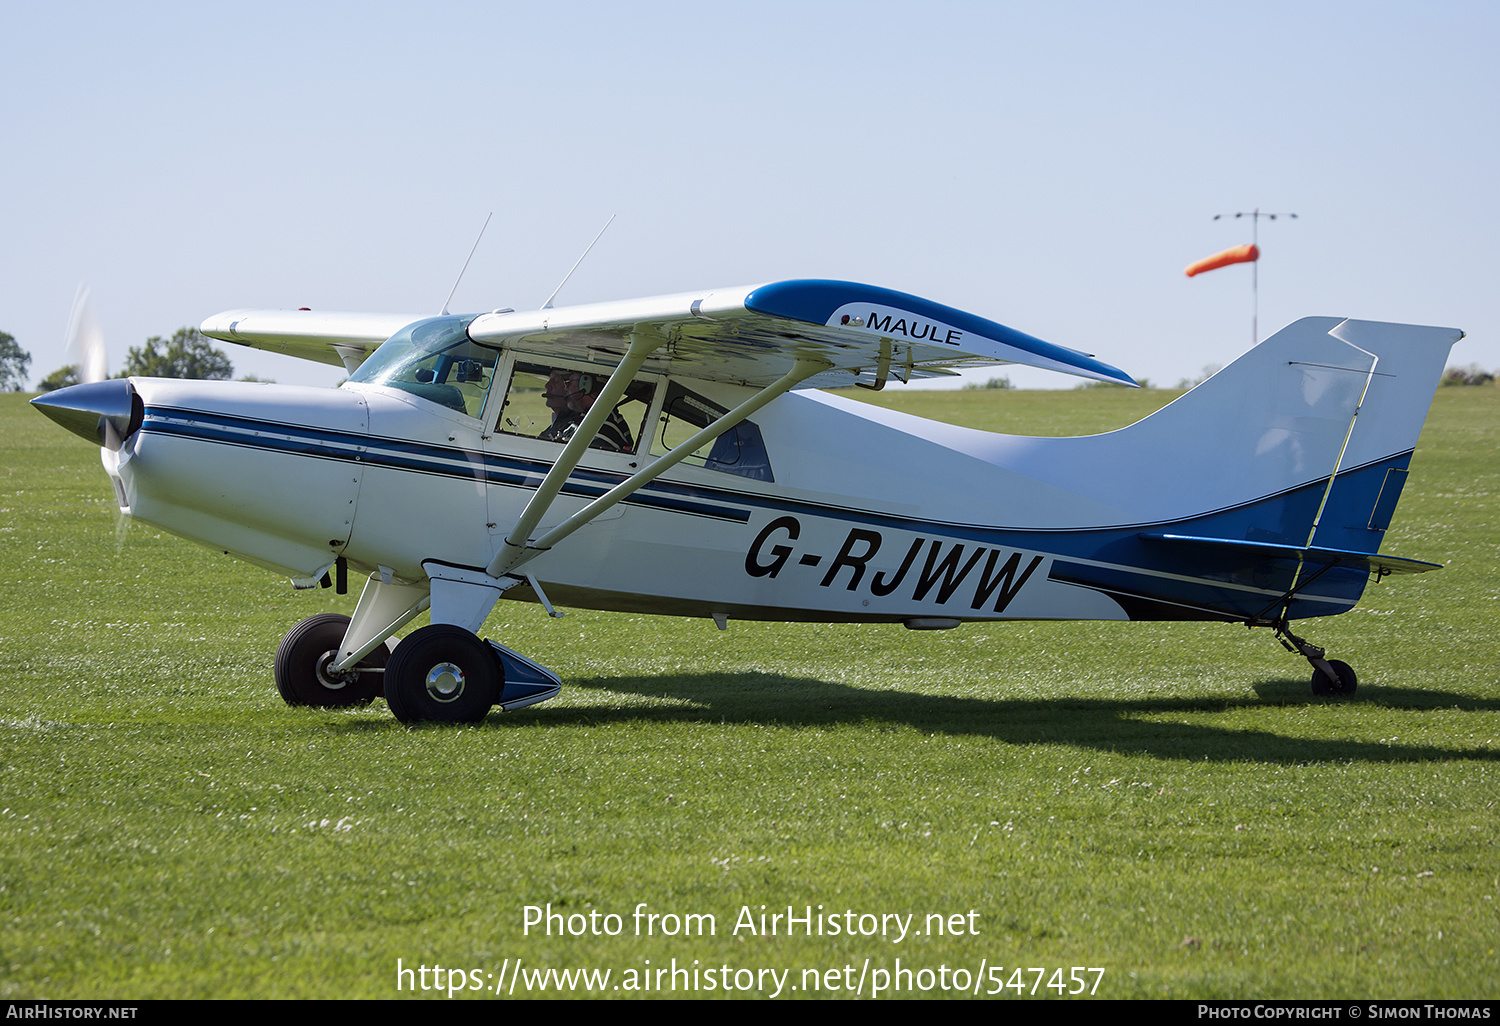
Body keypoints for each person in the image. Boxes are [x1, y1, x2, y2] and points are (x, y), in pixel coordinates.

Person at [538, 369, 635, 452]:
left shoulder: (602, 426)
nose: (566, 388)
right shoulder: (584, 418)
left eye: (570, 382)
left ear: (586, 386)